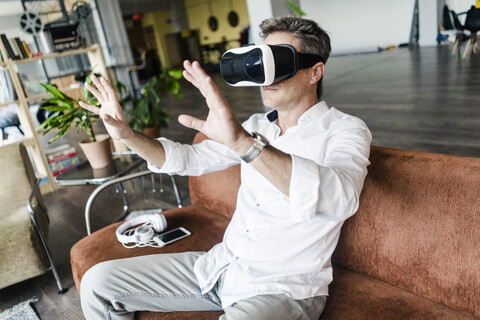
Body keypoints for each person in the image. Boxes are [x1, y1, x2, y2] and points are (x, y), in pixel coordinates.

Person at [78, 16, 372, 320]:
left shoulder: (345, 130)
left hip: (282, 288)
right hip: (220, 266)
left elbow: (340, 197)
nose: (265, 76)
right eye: (261, 61)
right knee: (97, 283)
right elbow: (188, 158)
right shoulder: (257, 125)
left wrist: (244, 143)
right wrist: (126, 135)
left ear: (315, 72)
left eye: (278, 61)